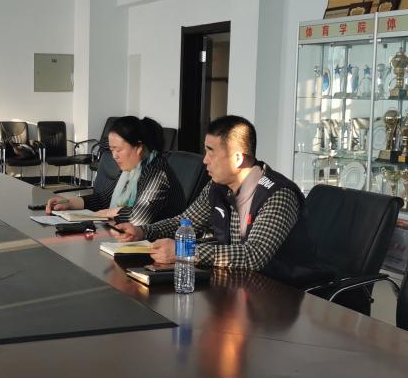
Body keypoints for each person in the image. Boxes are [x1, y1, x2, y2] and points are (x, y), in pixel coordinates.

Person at [111, 115, 312, 270]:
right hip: (235, 283)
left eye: (211, 152)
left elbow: (253, 256)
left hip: (280, 293)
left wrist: (183, 251)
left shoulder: (276, 195)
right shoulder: (218, 185)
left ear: (238, 159)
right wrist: (143, 231)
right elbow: (184, 222)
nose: (205, 160)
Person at [45, 116, 177, 226]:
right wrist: (69, 203)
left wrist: (108, 213)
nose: (114, 156)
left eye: (118, 150)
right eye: (111, 150)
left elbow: (139, 217)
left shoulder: (156, 172)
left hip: (156, 244)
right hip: (128, 236)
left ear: (138, 148)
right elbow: (105, 199)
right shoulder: (130, 170)